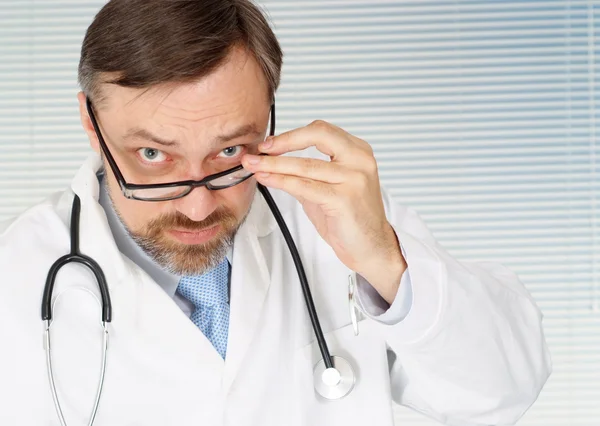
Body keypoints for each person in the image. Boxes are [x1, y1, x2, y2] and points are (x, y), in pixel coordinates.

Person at [0, 1, 551, 425]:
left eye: (230, 152)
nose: (197, 205)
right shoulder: (14, 278)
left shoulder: (340, 224)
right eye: (153, 156)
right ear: (91, 123)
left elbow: (503, 390)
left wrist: (387, 263)